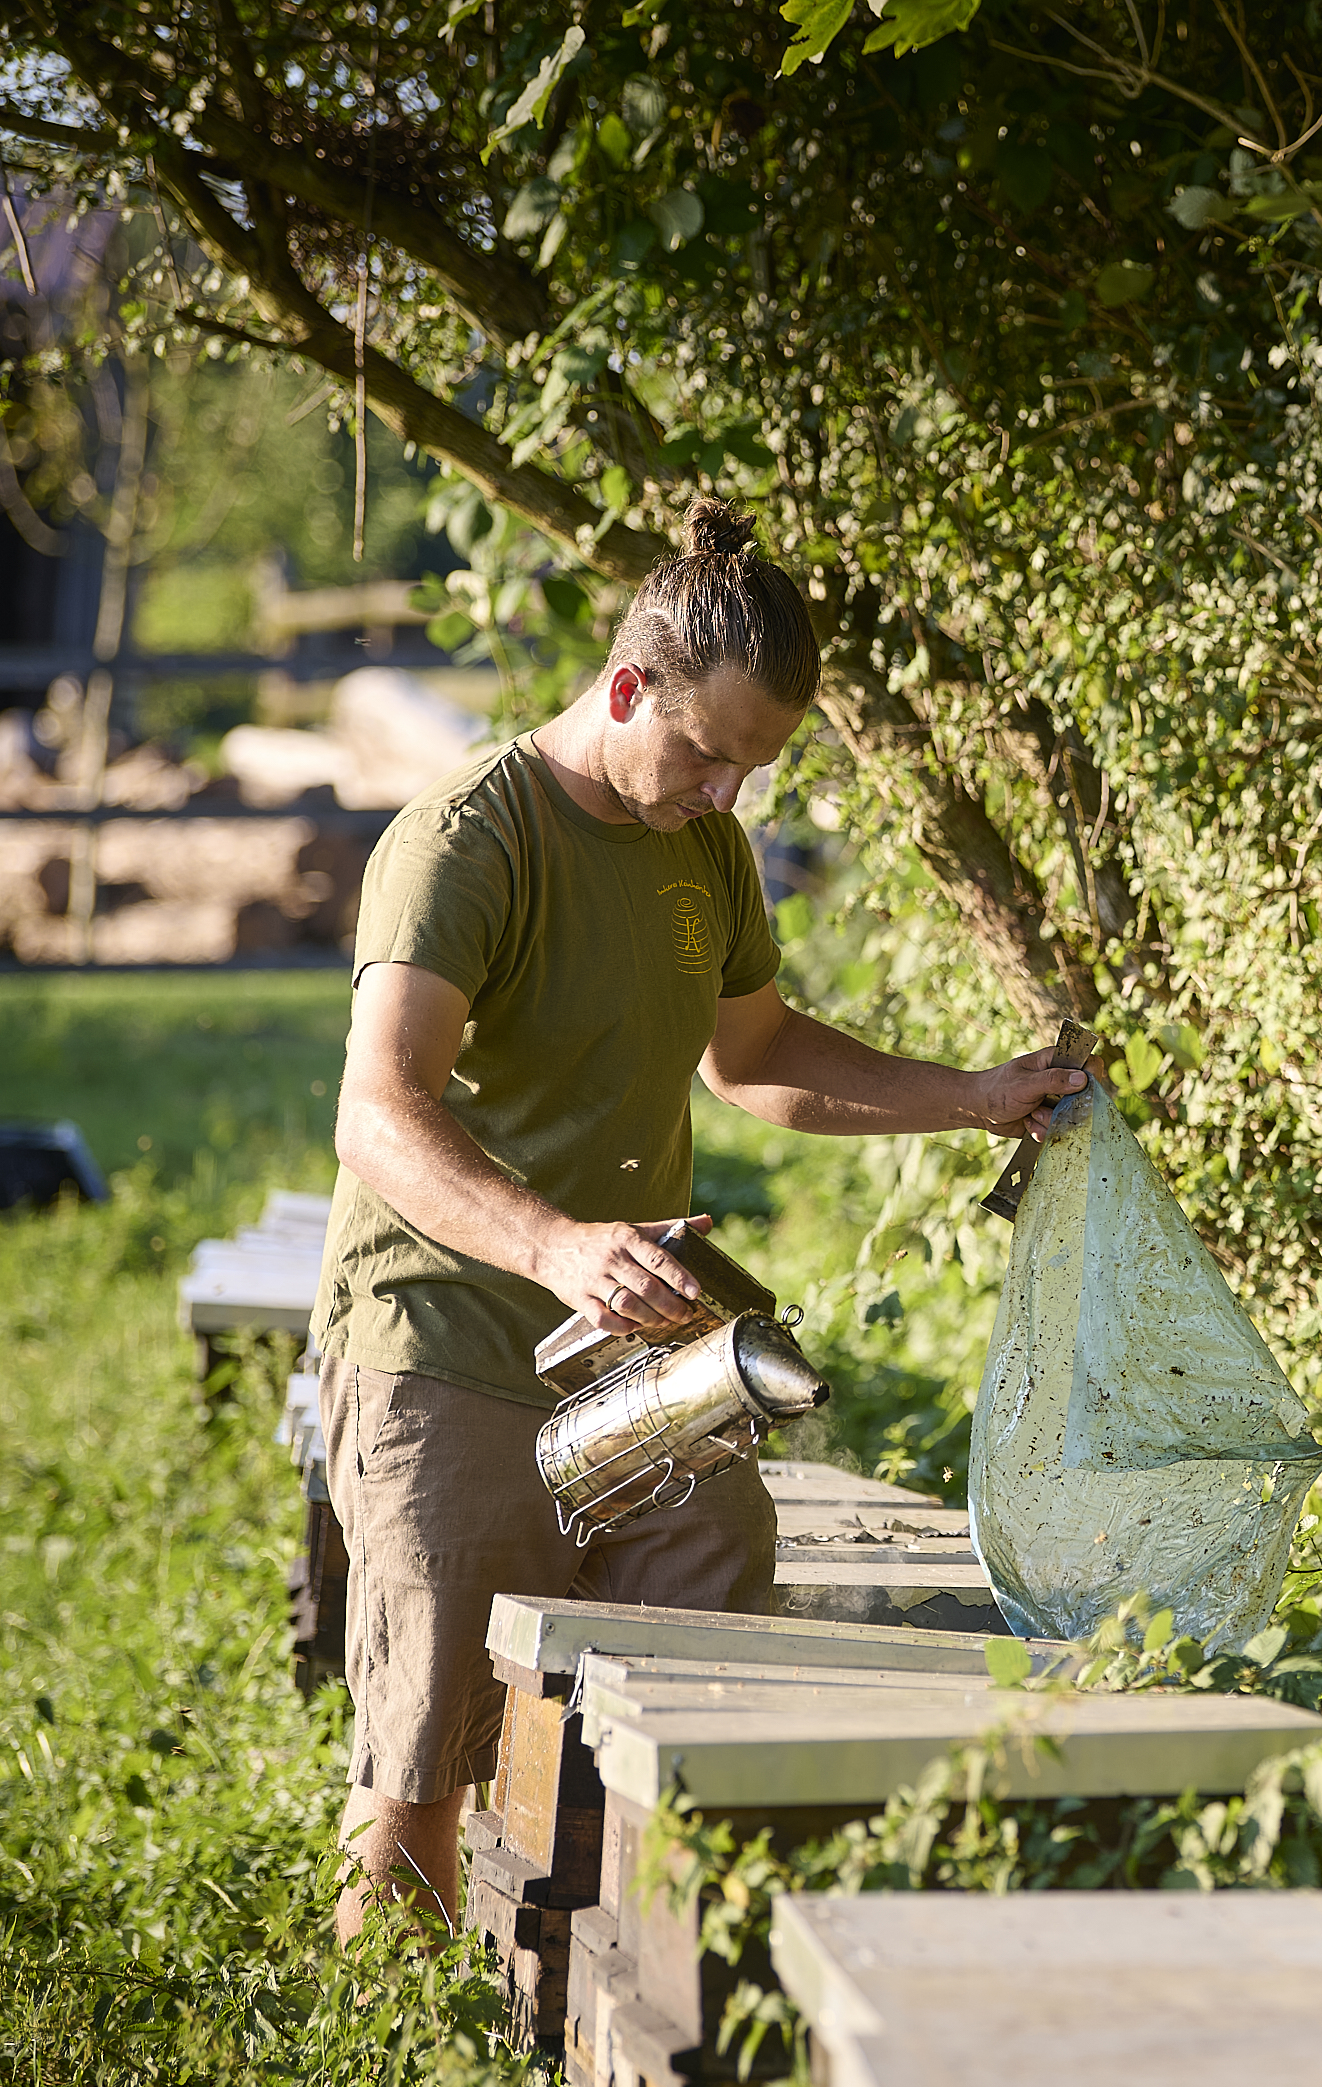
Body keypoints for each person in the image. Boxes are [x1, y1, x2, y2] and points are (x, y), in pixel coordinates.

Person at [313, 498, 1082, 1939]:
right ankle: (384, 2047)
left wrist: (979, 1097)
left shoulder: (704, 849)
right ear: (625, 688)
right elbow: (374, 1111)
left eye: (756, 766)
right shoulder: (465, 840)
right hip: (446, 1335)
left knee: (701, 1642)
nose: (728, 793)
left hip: (638, 1354)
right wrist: (552, 1245)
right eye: (707, 752)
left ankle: (614, 2009)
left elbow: (759, 1058)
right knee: (426, 1751)